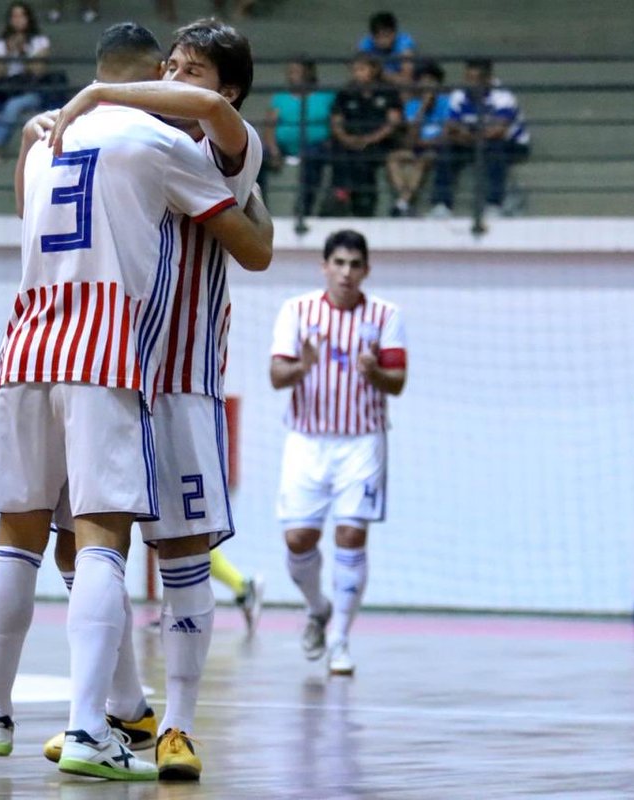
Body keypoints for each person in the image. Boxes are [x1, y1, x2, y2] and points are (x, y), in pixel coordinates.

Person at [0, 21, 272, 782]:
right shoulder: (129, 139)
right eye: (167, 66)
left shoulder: (219, 147)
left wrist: (101, 91)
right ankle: (120, 708)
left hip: (176, 380)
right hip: (112, 367)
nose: (173, 79)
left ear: (225, 91)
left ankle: (176, 726)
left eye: (192, 72)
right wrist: (45, 133)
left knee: (178, 551)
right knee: (81, 541)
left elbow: (258, 247)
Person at [269, 229, 407, 677]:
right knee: (298, 539)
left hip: (362, 442)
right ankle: (317, 607)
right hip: (307, 440)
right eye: (339, 263)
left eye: (355, 265)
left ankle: (341, 641)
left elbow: (398, 381)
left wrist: (375, 372)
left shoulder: (386, 315)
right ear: (324, 266)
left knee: (351, 535)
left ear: (366, 270)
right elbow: (276, 375)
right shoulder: (297, 310)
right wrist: (303, 365)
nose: (346, 273)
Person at [429, 58, 531, 218]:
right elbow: (451, 126)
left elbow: (498, 131)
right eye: (468, 79)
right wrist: (465, 136)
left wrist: (467, 135)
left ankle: (493, 204)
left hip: (512, 144)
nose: (470, 84)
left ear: (488, 79)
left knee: (495, 147)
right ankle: (441, 205)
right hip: (474, 140)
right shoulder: (459, 95)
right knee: (446, 148)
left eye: (475, 80)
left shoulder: (503, 96)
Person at [326, 52, 402, 218]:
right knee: (339, 150)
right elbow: (336, 121)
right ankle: (341, 195)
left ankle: (364, 203)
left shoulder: (388, 92)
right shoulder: (346, 92)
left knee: (364, 157)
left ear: (373, 70)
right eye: (354, 70)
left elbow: (393, 123)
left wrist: (369, 139)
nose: (357, 73)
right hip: (350, 141)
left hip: (378, 142)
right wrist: (346, 138)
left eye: (361, 69)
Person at [0, 2, 51, 163]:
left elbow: (38, 71)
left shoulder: (40, 41)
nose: (18, 20)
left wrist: (23, 51)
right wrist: (8, 52)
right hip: (5, 90)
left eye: (21, 15)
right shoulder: (1, 43)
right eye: (14, 16)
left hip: (30, 90)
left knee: (13, 106)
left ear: (28, 18)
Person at [264, 57, 335, 216]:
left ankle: (304, 209)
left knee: (313, 157)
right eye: (289, 72)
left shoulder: (326, 96)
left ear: (309, 73)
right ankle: (259, 208)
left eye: (296, 71)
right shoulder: (280, 97)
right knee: (258, 156)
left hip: (315, 146)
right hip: (282, 147)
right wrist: (273, 149)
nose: (291, 75)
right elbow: (269, 127)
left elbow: (334, 124)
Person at [385, 59, 449, 216]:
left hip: (435, 150)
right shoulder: (412, 106)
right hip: (416, 148)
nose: (427, 86)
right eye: (423, 81)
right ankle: (404, 201)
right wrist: (422, 108)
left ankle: (403, 202)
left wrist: (425, 143)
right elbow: (410, 140)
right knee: (393, 158)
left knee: (422, 161)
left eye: (431, 81)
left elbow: (447, 136)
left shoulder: (447, 103)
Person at [357, 11, 415, 84]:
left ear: (394, 33)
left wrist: (381, 73)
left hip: (397, 85)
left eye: (386, 36)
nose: (382, 41)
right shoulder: (366, 43)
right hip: (376, 82)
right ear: (372, 36)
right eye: (378, 37)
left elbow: (407, 80)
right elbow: (359, 74)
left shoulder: (404, 43)